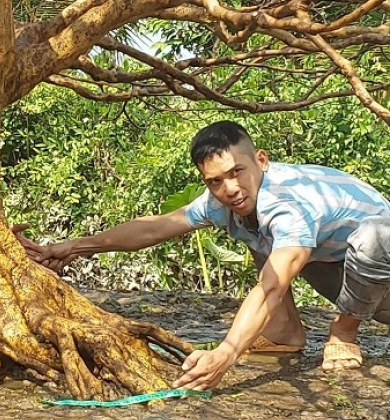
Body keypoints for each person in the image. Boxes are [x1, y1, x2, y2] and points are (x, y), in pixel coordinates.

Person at [22, 120, 390, 390]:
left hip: (380, 274)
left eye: (236, 173)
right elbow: (154, 228)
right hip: (345, 271)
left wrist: (227, 352)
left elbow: (272, 286)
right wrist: (70, 247)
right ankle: (283, 332)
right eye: (215, 181)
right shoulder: (227, 201)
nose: (229, 188)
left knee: (374, 235)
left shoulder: (288, 205)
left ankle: (344, 334)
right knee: (255, 228)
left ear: (261, 160)